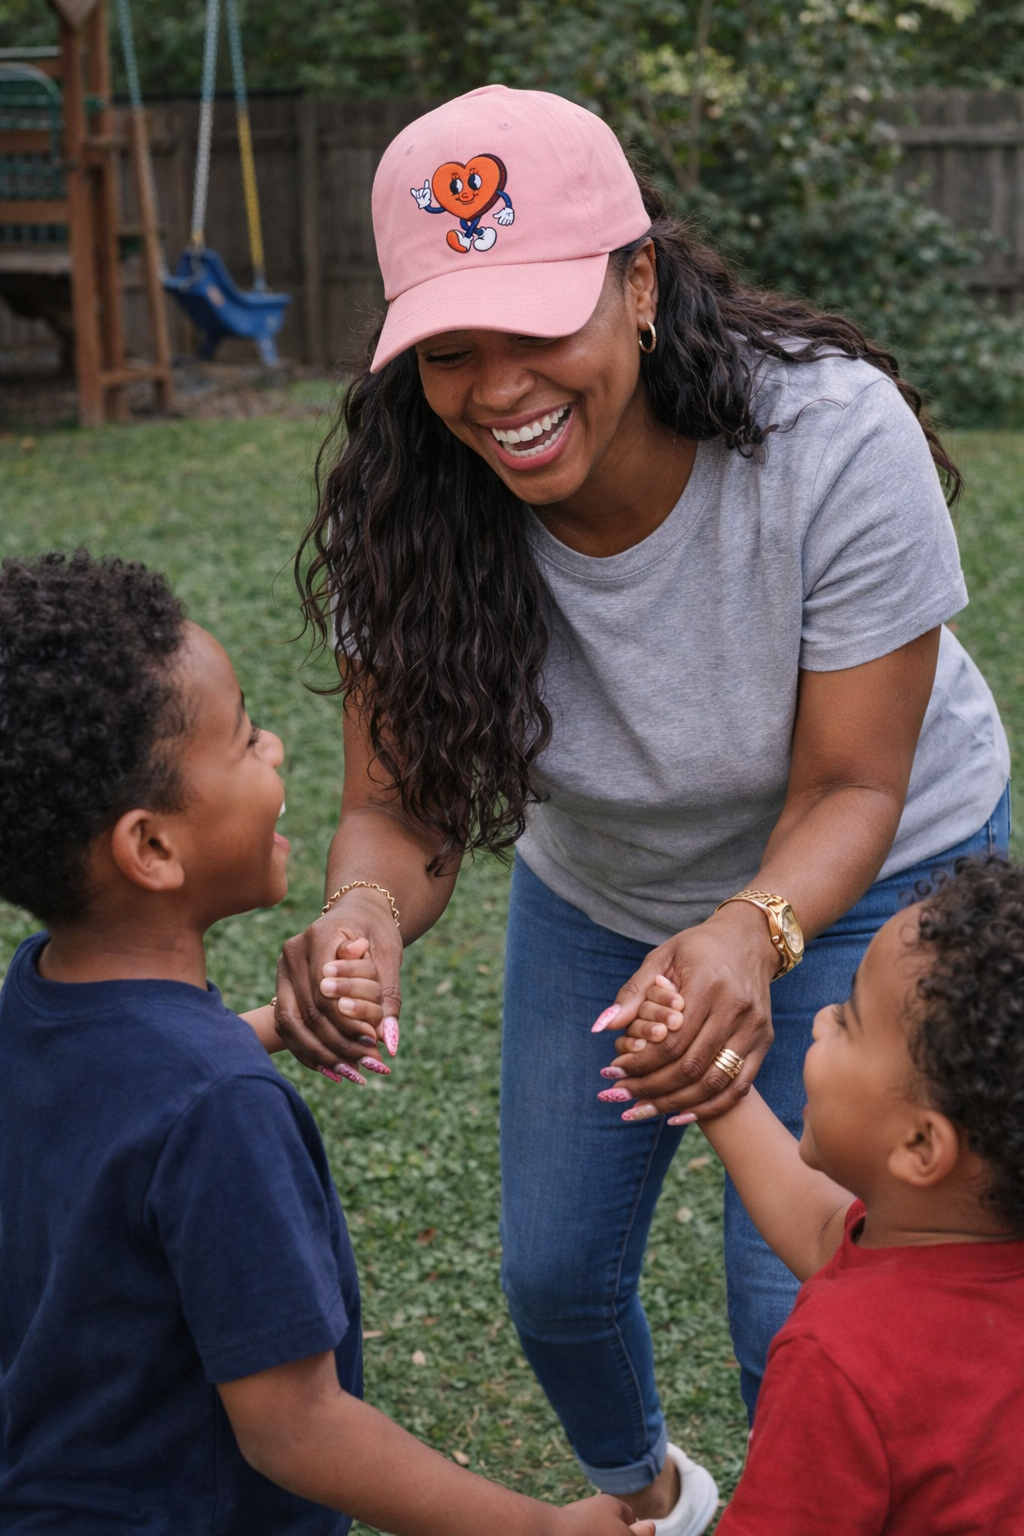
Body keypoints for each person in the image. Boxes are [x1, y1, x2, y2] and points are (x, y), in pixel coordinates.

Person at [275, 84, 1010, 1534]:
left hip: (871, 879)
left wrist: (753, 927)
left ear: (641, 280)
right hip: (604, 893)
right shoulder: (407, 504)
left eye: (540, 327)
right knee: (553, 1274)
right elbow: (397, 807)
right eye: (449, 348)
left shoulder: (828, 439)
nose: (497, 391)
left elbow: (856, 781)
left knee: (791, 1296)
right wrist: (360, 911)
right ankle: (655, 1502)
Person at [0, 549, 651, 1536]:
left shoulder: (34, 998)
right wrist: (544, 1529)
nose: (275, 753)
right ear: (152, 849)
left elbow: (113, 1101)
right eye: (247, 737)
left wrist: (265, 1029)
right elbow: (295, 1427)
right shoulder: (220, 1113)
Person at [623, 857, 1024, 1533]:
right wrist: (705, 1072)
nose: (821, 1018)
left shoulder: (839, 1362)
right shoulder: (958, 1253)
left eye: (850, 1021)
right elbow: (823, 1232)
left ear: (922, 1148)